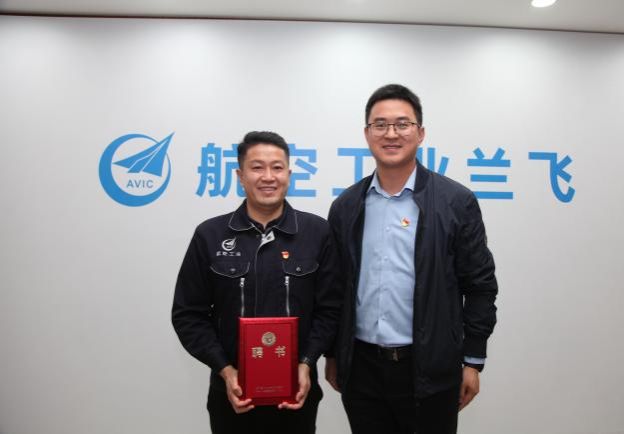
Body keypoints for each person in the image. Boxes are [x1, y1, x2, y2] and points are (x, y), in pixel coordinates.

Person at [325, 84, 498, 434]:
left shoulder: (455, 202)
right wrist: (333, 353)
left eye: (402, 124)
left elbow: (480, 285)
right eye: (380, 125)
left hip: (430, 368)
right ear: (367, 134)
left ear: (420, 133)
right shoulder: (346, 206)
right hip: (361, 368)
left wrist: (472, 360)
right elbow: (334, 289)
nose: (391, 134)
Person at [173, 131, 341, 434]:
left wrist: (306, 362)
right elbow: (188, 315)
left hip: (297, 392)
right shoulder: (210, 235)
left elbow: (331, 309)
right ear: (240, 176)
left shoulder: (317, 233)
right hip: (231, 394)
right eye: (257, 167)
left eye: (277, 167)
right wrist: (225, 371)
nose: (268, 177)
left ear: (289, 174)